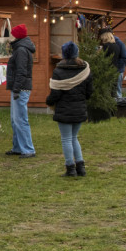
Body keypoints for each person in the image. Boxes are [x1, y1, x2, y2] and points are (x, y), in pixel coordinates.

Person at [46, 42, 93, 178]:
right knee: (74, 138)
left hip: (64, 109)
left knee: (66, 139)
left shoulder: (58, 71)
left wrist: (49, 102)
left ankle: (70, 168)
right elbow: (89, 92)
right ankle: (81, 167)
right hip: (79, 108)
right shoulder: (85, 70)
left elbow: (55, 94)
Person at [5, 24, 36, 158]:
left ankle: (28, 149)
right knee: (15, 119)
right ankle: (18, 147)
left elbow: (21, 71)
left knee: (20, 119)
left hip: (20, 89)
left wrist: (16, 89)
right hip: (20, 88)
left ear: (17, 35)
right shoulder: (20, 48)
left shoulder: (21, 50)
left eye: (12, 33)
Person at [98, 28, 126, 98]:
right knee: (114, 91)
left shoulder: (106, 46)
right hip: (115, 70)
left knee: (107, 90)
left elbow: (101, 58)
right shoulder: (116, 46)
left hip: (107, 70)